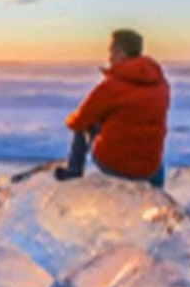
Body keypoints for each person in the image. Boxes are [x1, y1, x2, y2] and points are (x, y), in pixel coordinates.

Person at [55, 28, 170, 188]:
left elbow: (78, 122)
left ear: (120, 54)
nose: (109, 58)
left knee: (86, 126)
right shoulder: (161, 84)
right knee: (146, 136)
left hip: (116, 166)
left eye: (111, 52)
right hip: (150, 170)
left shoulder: (111, 87)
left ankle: (73, 171)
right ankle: (157, 188)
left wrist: (70, 119)